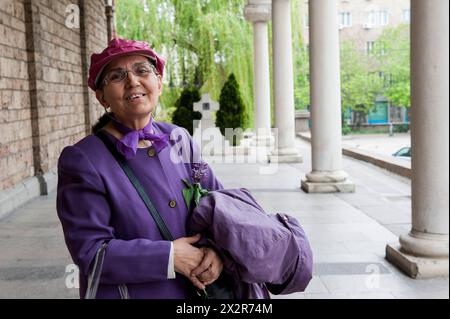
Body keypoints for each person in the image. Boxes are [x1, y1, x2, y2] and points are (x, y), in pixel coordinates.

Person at [56, 38, 225, 299]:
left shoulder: (179, 138)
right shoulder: (82, 159)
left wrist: (217, 249)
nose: (133, 81)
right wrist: (170, 256)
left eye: (142, 70)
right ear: (101, 97)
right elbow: (91, 253)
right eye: (117, 75)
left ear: (158, 82)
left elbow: (219, 203)